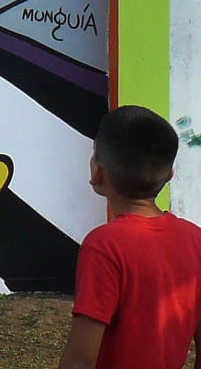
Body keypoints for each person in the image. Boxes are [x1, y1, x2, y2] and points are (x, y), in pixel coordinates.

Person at [59, 105, 201, 369]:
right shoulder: (196, 239)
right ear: (170, 175)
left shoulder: (103, 245)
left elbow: (80, 359)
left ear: (98, 172)